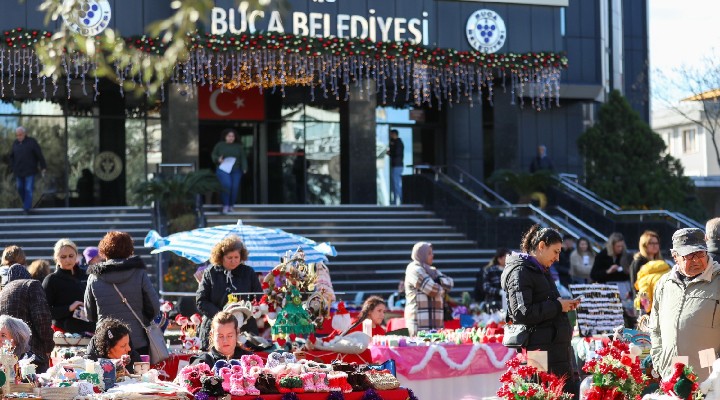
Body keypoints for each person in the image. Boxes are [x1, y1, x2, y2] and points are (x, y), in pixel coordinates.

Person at [501, 225, 580, 394]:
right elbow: (521, 313)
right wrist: (558, 305)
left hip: (556, 349)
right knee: (541, 393)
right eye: (555, 251)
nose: (558, 258)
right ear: (542, 246)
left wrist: (563, 305)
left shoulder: (540, 269)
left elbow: (546, 304)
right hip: (538, 351)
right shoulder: (520, 271)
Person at [650, 228, 720, 381]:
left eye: (700, 253)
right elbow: (655, 329)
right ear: (675, 257)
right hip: (671, 377)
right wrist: (659, 361)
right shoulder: (664, 284)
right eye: (689, 255)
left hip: (709, 379)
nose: (696, 260)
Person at [85, 231, 161, 356]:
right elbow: (154, 307)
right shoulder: (139, 273)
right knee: (138, 375)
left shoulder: (94, 277)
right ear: (129, 250)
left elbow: (90, 314)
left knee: (106, 374)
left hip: (106, 341)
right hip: (136, 341)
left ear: (104, 250)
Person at [196, 236, 262, 350]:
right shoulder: (210, 273)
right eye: (229, 257)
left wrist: (246, 311)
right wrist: (223, 316)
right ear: (221, 257)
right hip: (215, 325)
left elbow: (259, 297)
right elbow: (201, 301)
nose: (233, 261)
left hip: (245, 327)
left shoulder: (248, 272)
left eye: (236, 257)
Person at [0, 264, 53, 372]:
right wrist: (48, 346)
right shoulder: (32, 284)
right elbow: (42, 319)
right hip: (31, 351)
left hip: (8, 350)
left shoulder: (4, 291)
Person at [43, 239, 95, 334]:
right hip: (64, 332)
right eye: (63, 257)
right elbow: (44, 312)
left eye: (71, 256)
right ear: (56, 258)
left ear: (76, 256)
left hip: (90, 329)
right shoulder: (51, 280)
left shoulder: (87, 275)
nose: (68, 260)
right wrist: (69, 308)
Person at [404, 242, 454, 336]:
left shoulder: (432, 270)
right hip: (419, 325)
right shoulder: (414, 269)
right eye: (429, 253)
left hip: (436, 325)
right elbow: (432, 290)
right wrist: (441, 287)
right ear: (421, 254)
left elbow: (450, 283)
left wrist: (438, 283)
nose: (432, 255)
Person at [9, 126, 47, 214]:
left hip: (30, 171)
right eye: (17, 135)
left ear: (25, 134)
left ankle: (26, 208)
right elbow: (11, 156)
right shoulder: (15, 144)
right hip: (19, 171)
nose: (19, 137)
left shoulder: (32, 142)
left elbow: (39, 154)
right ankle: (27, 204)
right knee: (20, 188)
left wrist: (43, 167)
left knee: (28, 189)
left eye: (20, 135)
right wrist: (13, 167)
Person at [211, 128, 248, 214]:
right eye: (229, 136)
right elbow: (213, 155)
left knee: (234, 187)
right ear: (225, 137)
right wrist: (218, 159)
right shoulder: (219, 145)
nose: (231, 138)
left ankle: (231, 205)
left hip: (236, 170)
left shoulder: (239, 147)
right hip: (223, 169)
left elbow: (243, 158)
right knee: (227, 185)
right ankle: (225, 205)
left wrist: (245, 168)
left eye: (233, 136)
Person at [386, 129, 404, 205]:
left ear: (394, 134)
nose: (390, 136)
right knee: (394, 184)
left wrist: (390, 152)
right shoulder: (394, 142)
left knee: (396, 183)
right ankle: (395, 200)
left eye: (391, 134)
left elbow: (396, 153)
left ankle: (401, 200)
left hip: (397, 165)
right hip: (395, 165)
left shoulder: (398, 143)